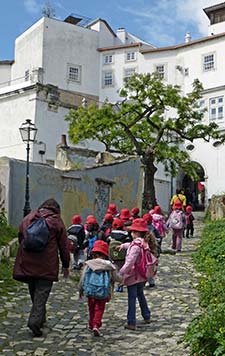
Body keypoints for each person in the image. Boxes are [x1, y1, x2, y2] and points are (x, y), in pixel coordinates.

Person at [13, 198, 70, 337]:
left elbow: (21, 236)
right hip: (46, 263)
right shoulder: (56, 221)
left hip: (27, 262)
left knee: (34, 290)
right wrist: (66, 264)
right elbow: (64, 246)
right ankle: (35, 321)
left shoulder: (29, 218)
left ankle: (41, 318)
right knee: (42, 293)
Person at [78, 240, 121, 337]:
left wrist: (80, 289)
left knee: (91, 308)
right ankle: (96, 325)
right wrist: (121, 279)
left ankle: (91, 323)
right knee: (99, 309)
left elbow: (83, 278)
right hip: (103, 292)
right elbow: (116, 277)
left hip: (90, 291)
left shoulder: (89, 264)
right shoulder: (109, 266)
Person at [119, 218, 151, 330]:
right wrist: (123, 246)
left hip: (134, 275)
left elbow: (129, 263)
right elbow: (131, 245)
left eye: (132, 231)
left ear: (136, 233)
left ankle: (131, 321)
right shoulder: (144, 243)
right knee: (140, 294)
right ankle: (146, 315)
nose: (130, 233)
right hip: (143, 275)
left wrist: (120, 273)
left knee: (131, 298)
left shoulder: (135, 247)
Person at [108, 218, 130, 292]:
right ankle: (121, 285)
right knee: (122, 271)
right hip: (123, 256)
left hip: (113, 257)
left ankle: (114, 285)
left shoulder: (111, 235)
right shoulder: (126, 235)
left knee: (115, 270)